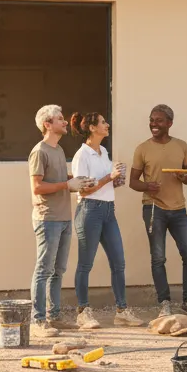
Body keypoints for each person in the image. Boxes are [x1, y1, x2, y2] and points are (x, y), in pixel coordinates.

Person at [69, 111, 144, 330]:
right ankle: (83, 312)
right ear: (92, 128)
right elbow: (84, 189)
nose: (107, 125)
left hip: (108, 210)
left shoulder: (103, 151)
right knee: (86, 263)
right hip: (89, 210)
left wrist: (116, 181)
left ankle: (122, 311)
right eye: (103, 122)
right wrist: (108, 178)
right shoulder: (81, 155)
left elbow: (103, 183)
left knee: (118, 262)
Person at [28, 104, 91, 338]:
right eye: (60, 119)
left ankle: (54, 316)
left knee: (58, 270)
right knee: (43, 270)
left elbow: (57, 178)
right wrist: (67, 185)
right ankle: (38, 320)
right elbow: (37, 187)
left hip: (64, 217)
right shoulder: (39, 151)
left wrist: (76, 180)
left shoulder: (58, 149)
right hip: (48, 219)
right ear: (48, 124)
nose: (65, 122)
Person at [130, 104, 187, 318]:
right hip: (153, 208)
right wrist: (147, 186)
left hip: (178, 209)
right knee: (158, 258)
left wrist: (184, 177)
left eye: (159, 120)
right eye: (152, 120)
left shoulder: (182, 145)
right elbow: (133, 181)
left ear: (169, 123)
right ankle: (165, 302)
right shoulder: (142, 148)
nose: (154, 124)